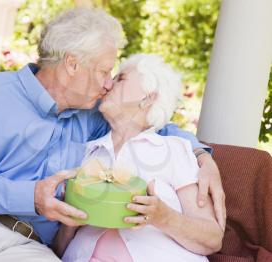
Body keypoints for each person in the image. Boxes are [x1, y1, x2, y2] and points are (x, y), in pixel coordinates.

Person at [0, 8, 224, 262]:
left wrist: (201, 155)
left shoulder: (90, 118)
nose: (108, 84)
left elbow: (146, 125)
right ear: (72, 64)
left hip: (28, 244)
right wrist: (31, 198)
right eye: (104, 72)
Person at [61, 54, 224, 262]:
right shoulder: (89, 152)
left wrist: (163, 217)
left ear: (148, 97)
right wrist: (68, 222)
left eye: (121, 78)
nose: (108, 84)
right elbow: (60, 248)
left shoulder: (174, 150)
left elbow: (212, 239)